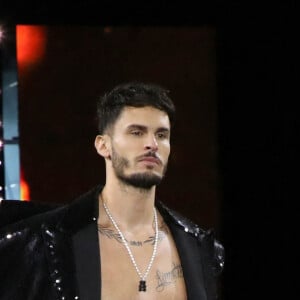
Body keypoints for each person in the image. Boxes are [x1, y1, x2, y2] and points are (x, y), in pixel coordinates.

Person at [0, 82, 224, 300]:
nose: (152, 144)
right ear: (103, 145)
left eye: (162, 135)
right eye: (137, 132)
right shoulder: (42, 241)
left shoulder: (198, 248)